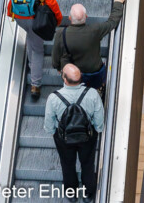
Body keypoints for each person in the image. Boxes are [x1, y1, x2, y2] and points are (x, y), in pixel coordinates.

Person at [44, 64, 104, 202]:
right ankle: (88, 193)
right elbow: (99, 121)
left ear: (64, 78)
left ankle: (71, 193)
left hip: (64, 139)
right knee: (88, 163)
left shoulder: (53, 98)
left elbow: (49, 126)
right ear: (80, 77)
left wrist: (56, 133)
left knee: (67, 164)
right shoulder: (92, 94)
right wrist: (95, 131)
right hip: (87, 138)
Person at [52, 0, 126, 92]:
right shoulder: (95, 30)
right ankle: (98, 91)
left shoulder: (61, 34)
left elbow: (56, 56)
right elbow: (112, 22)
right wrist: (118, 3)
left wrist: (57, 66)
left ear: (69, 18)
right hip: (94, 73)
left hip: (74, 74)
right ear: (86, 16)